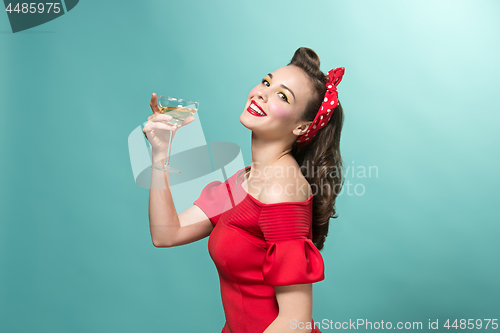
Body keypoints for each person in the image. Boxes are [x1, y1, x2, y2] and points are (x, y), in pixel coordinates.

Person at [143, 47, 345, 333]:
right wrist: (160, 154)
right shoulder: (243, 181)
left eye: (283, 95)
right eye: (266, 82)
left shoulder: (282, 192)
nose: (262, 93)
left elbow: (295, 322)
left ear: (302, 126)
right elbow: (166, 233)